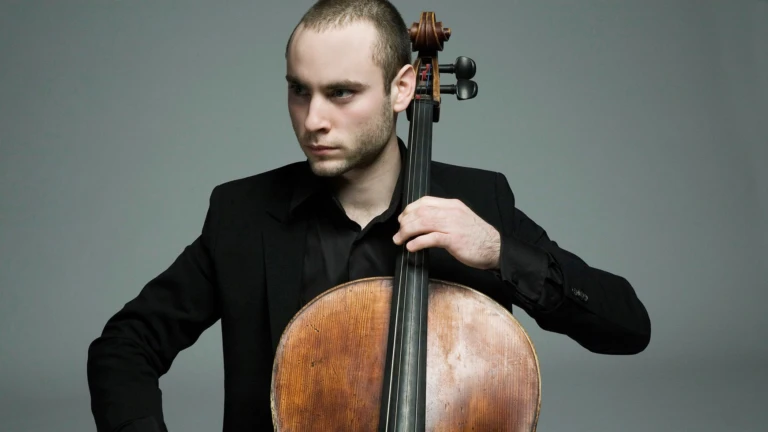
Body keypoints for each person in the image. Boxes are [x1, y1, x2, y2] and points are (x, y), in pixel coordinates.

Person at [87, 0, 651, 430]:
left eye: (341, 93)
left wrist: (500, 251)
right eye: (299, 92)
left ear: (402, 89)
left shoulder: (480, 201)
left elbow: (628, 326)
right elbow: (125, 346)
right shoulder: (243, 214)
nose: (313, 119)